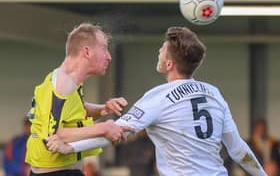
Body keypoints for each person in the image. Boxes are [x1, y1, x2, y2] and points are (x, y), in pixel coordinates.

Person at [46, 26, 267, 176]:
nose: (159, 52)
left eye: (162, 50)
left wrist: (69, 147)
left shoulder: (159, 97)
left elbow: (116, 131)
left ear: (169, 64)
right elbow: (238, 149)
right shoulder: (214, 94)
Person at [25, 22, 134, 176]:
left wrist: (103, 108)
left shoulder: (68, 81)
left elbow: (74, 112)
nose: (109, 57)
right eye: (104, 49)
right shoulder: (63, 84)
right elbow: (56, 134)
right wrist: (104, 128)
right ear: (87, 52)